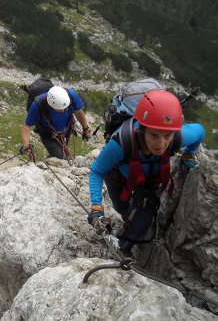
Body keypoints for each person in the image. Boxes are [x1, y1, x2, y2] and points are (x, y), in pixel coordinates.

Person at [88, 90, 205, 256]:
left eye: (167, 135)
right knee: (121, 206)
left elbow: (199, 131)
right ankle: (127, 219)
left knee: (142, 221)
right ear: (142, 129)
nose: (161, 144)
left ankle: (122, 248)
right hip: (118, 176)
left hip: (147, 181)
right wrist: (96, 207)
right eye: (154, 135)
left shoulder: (178, 138)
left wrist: (188, 154)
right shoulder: (121, 143)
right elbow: (97, 171)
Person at [21, 85, 91, 160]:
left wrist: (85, 129)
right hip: (48, 135)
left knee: (62, 153)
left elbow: (78, 112)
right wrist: (26, 145)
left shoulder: (72, 95)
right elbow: (27, 126)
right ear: (51, 105)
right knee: (62, 158)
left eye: (65, 107)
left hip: (66, 131)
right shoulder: (38, 104)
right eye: (59, 109)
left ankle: (51, 161)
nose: (63, 110)